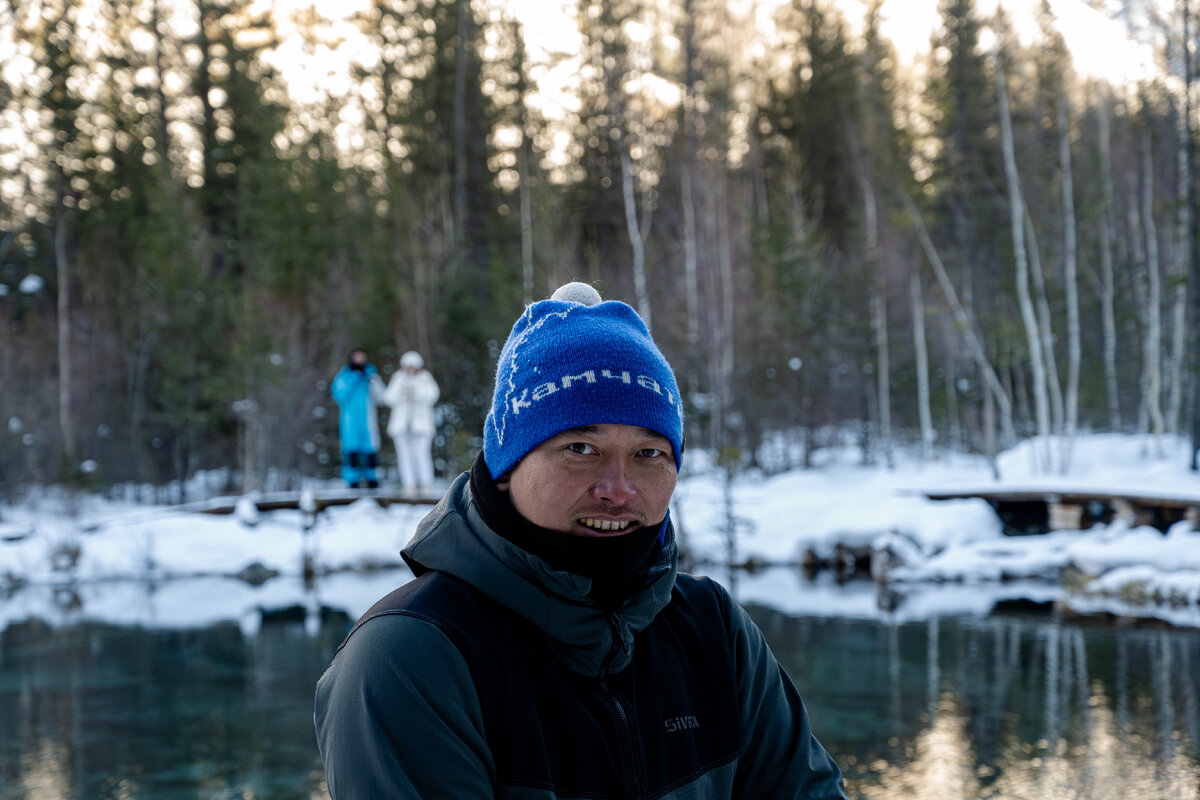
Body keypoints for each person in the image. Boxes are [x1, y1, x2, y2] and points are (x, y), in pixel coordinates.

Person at [314, 283, 847, 800]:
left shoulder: (713, 630)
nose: (618, 490)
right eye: (580, 448)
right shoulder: (411, 659)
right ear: (506, 465)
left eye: (649, 454)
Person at [383, 350, 440, 493]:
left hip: (422, 426)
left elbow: (432, 396)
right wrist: (402, 389)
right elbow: (388, 398)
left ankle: (425, 483)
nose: (410, 369)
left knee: (422, 454)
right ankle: (409, 484)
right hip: (401, 425)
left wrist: (415, 389)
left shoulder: (426, 378)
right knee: (404, 455)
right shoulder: (398, 378)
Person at [330, 348, 386, 489]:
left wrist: (372, 379)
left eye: (362, 358)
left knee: (370, 451)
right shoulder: (344, 376)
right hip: (350, 421)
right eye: (357, 358)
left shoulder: (371, 376)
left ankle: (372, 478)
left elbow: (382, 397)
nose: (360, 361)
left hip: (368, 419)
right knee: (351, 450)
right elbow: (338, 395)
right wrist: (354, 380)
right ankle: (352, 480)